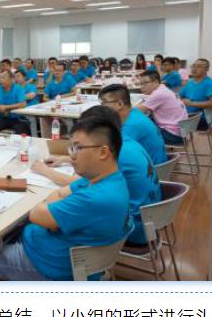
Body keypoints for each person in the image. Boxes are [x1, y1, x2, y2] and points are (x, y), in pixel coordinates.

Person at [0, 114, 131, 280]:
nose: (72, 155)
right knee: (10, 226)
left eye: (78, 148)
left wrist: (47, 210)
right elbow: (59, 193)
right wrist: (50, 212)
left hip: (47, 265)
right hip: (52, 249)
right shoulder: (107, 179)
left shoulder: (96, 198)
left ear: (103, 152)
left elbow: (36, 214)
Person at [32, 105, 161, 245]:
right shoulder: (125, 144)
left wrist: (45, 171)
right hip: (145, 217)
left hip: (135, 226)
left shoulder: (112, 167)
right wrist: (65, 159)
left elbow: (70, 183)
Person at [99, 84, 167, 164]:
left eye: (104, 102)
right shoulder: (134, 113)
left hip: (150, 169)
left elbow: (117, 155)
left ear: (120, 104)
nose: (101, 106)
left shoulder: (131, 125)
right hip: (150, 165)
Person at [136, 70, 188, 145]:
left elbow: (135, 110)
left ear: (156, 82)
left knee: (138, 129)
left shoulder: (158, 94)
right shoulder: (162, 88)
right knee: (146, 121)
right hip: (181, 131)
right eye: (141, 84)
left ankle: (149, 152)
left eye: (145, 83)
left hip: (173, 135)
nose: (142, 86)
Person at [0, 69, 30, 134]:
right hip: (1, 118)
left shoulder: (18, 88)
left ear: (11, 79)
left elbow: (23, 104)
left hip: (17, 119)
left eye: (3, 77)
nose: (0, 80)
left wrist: (6, 107)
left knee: (24, 127)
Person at [179, 58, 212, 130]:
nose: (194, 69)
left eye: (199, 66)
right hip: (186, 115)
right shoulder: (189, 83)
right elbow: (179, 96)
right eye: (193, 66)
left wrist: (191, 103)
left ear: (206, 69)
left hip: (200, 118)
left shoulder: (211, 83)